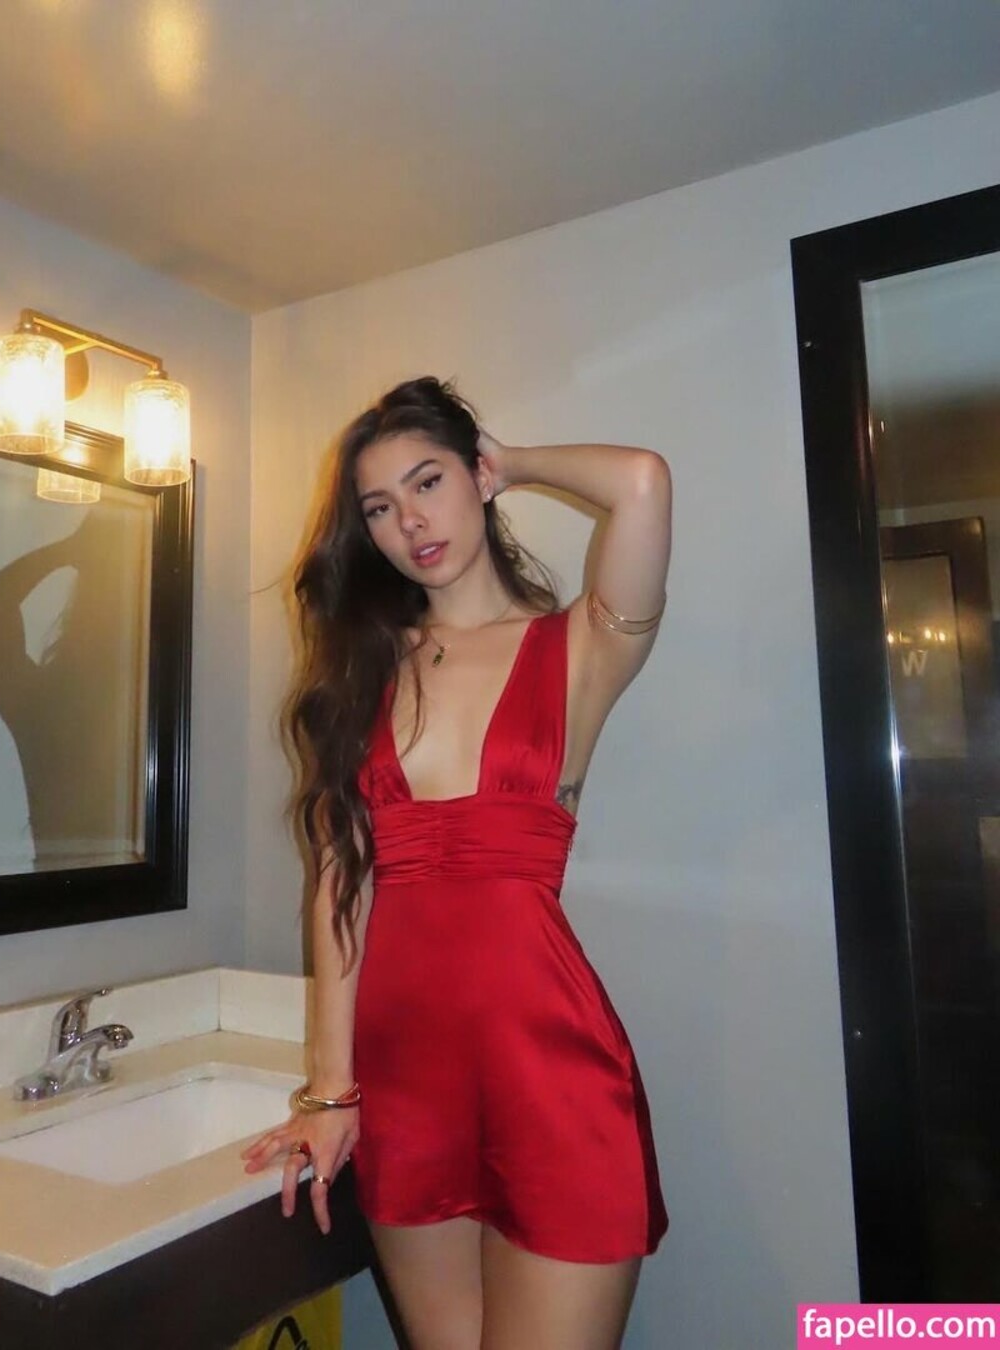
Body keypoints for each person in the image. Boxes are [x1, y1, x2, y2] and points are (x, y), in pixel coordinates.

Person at [242, 375, 672, 1350]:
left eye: (428, 482)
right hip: (405, 1084)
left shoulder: (577, 648)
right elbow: (339, 890)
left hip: (550, 1071)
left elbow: (643, 482)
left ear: (477, 477)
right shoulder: (364, 673)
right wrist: (330, 1091)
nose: (410, 523)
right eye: (378, 507)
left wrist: (509, 461)